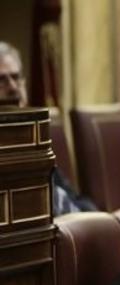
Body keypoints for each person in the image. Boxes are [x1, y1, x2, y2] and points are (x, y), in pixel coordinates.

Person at [0, 40, 96, 215]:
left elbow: (73, 198)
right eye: (2, 80)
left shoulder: (33, 136)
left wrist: (98, 219)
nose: (13, 87)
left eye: (16, 77)